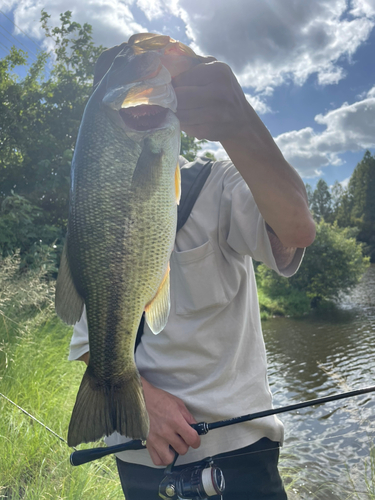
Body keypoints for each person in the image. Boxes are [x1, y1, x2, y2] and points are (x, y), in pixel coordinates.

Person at [69, 40, 316, 500]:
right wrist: (143, 403)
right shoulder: (92, 212)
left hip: (240, 451)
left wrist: (238, 121)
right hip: (142, 450)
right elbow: (89, 342)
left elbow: (297, 230)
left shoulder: (222, 181)